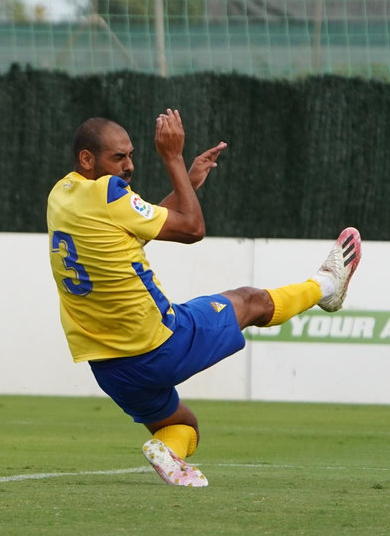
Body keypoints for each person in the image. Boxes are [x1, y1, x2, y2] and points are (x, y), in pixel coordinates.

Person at [47, 111, 361, 487]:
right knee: (250, 301)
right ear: (86, 159)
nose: (129, 166)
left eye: (131, 155)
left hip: (109, 368)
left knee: (182, 425)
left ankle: (167, 452)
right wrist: (174, 159)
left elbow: (126, 230)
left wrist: (188, 184)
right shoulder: (108, 192)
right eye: (119, 157)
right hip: (159, 344)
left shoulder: (61, 196)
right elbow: (193, 229)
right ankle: (327, 285)